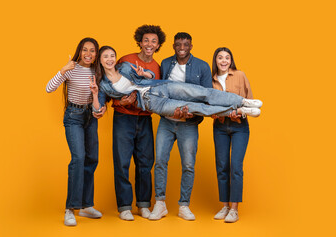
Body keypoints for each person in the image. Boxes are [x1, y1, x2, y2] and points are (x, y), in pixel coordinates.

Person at [93, 25, 166, 221]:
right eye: (146, 40)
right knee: (122, 162)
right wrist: (118, 102)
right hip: (123, 118)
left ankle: (143, 205)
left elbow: (157, 94)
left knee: (145, 163)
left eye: (153, 41)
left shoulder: (157, 67)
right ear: (140, 42)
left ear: (158, 44)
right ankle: (124, 206)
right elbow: (111, 87)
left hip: (145, 119)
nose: (149, 44)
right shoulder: (125, 61)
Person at [91, 46, 262, 124]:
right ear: (100, 59)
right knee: (197, 107)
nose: (110, 59)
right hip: (152, 103)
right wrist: (94, 93)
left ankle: (242, 101)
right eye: (105, 56)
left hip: (158, 87)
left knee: (203, 93)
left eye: (112, 55)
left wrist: (145, 73)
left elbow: (146, 76)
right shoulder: (103, 85)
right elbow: (97, 109)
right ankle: (239, 111)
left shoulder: (125, 66)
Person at [149, 32, 212, 221]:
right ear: (174, 46)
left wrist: (192, 114)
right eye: (178, 44)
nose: (182, 47)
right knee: (159, 161)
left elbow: (206, 96)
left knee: (188, 165)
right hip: (167, 122)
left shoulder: (202, 66)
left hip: (189, 125)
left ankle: (184, 205)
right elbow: (158, 92)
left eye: (186, 44)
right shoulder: (166, 64)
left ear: (191, 46)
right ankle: (160, 204)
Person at [46, 37, 105, 226]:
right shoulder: (71, 68)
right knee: (78, 158)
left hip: (90, 116)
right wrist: (63, 69)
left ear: (96, 54)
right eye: (85, 50)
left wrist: (100, 108)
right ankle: (70, 209)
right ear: (79, 51)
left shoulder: (97, 71)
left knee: (91, 158)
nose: (89, 54)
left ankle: (86, 205)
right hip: (73, 116)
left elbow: (99, 97)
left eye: (93, 51)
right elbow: (49, 88)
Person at [211, 47, 257, 223]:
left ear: (231, 60)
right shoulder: (211, 80)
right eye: (220, 57)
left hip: (239, 127)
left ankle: (234, 210)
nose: (223, 61)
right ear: (215, 60)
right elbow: (208, 105)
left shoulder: (240, 75)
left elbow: (250, 100)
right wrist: (217, 114)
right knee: (222, 166)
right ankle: (225, 206)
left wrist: (240, 112)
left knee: (236, 167)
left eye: (227, 58)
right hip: (220, 127)